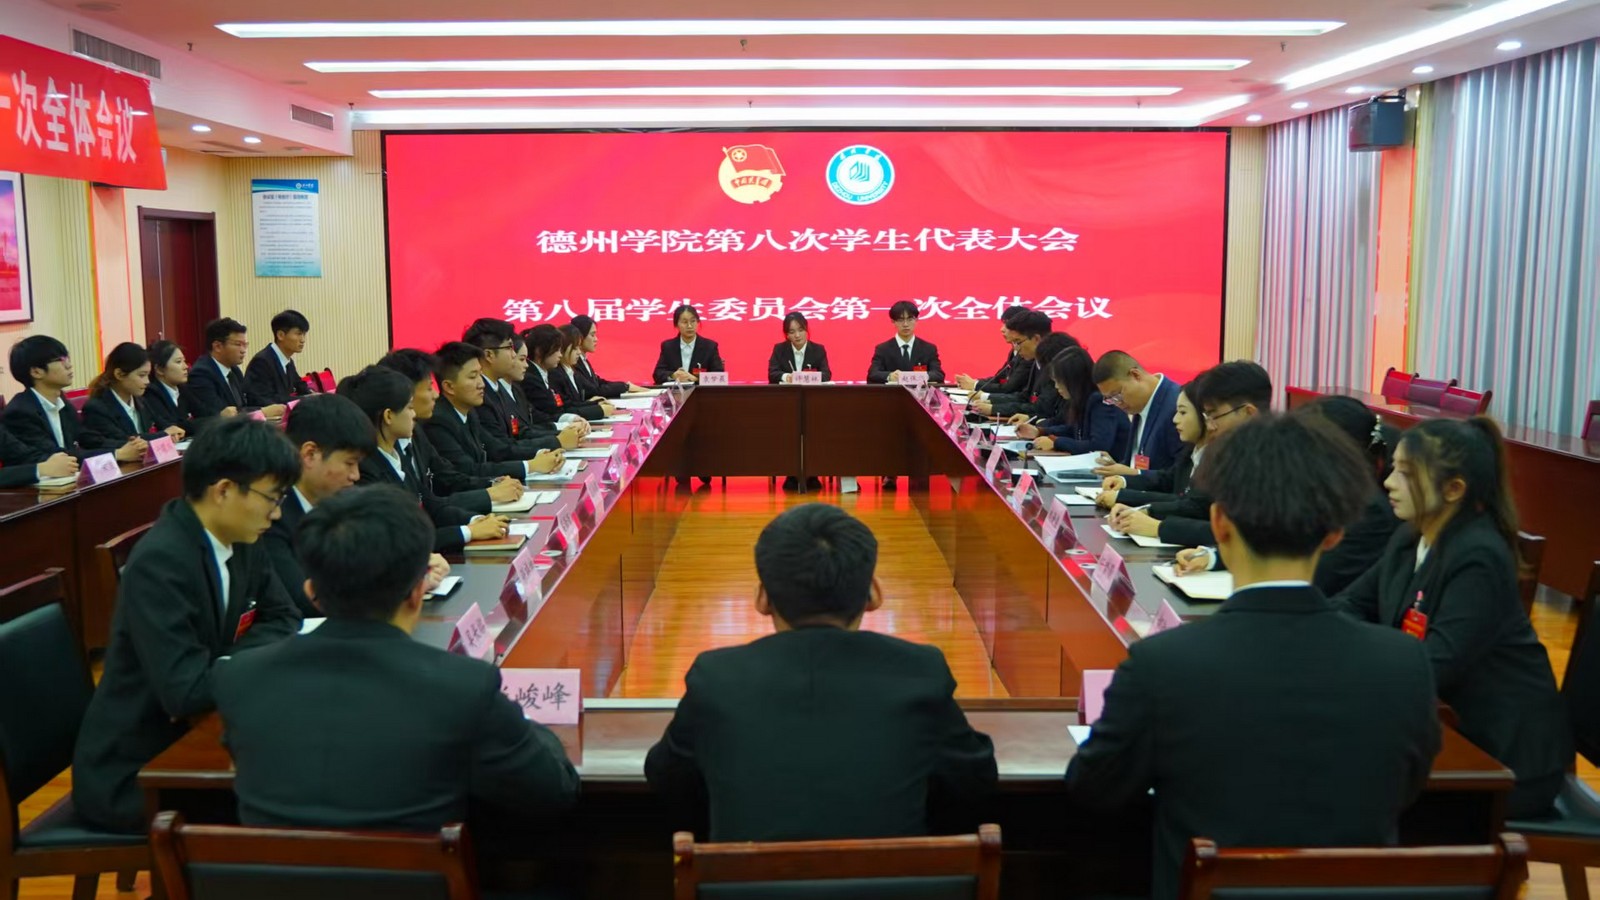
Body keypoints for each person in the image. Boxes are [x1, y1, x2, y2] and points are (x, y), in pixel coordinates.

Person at [1066, 413, 1442, 900]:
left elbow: (1096, 788)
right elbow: (1406, 788)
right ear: (1334, 533)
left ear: (1219, 524)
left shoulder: (1162, 664)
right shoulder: (1404, 664)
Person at [214, 487, 579, 830]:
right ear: (418, 591)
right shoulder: (463, 688)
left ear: (312, 593)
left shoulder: (239, 679)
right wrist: (522, 722)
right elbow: (555, 791)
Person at [646, 503, 997, 840]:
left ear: (763, 599)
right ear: (873, 594)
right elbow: (974, 781)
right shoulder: (921, 672)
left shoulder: (715, 679)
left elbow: (667, 778)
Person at [1330, 416, 1571, 817]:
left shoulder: (1479, 555)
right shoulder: (1410, 538)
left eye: (1406, 474)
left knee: (1351, 788)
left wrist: (1351, 654)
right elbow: (1350, 603)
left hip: (1505, 760)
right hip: (1444, 730)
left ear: (1454, 489)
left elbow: (1436, 663)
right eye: (1393, 468)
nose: (1388, 482)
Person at [72, 418, 303, 832]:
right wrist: (249, 661)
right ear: (224, 490)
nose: (277, 512)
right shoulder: (161, 563)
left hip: (201, 733)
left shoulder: (242, 537)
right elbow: (185, 691)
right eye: (272, 497)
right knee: (294, 796)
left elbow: (284, 617)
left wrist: (228, 661)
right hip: (138, 770)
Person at [1173, 395, 1401, 596]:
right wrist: (1211, 557)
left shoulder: (1370, 510)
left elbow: (1310, 572)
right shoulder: (1320, 489)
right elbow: (1277, 539)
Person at [341, 365, 511, 552]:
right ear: (389, 416)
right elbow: (400, 539)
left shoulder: (398, 455)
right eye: (409, 407)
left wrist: (476, 520)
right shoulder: (366, 470)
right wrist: (468, 532)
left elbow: (432, 505)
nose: (414, 414)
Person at [1108, 361, 1269, 548]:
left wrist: (1158, 527)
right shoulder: (1228, 454)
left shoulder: (1269, 464)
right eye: (1206, 416)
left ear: (1249, 413)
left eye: (1213, 415)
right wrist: (1209, 557)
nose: (1210, 426)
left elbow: (1244, 536)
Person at [261, 393, 376, 617]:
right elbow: (302, 601)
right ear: (310, 454)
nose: (355, 475)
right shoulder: (272, 516)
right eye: (349, 463)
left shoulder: (343, 503)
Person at [379, 347, 524, 509]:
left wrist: (493, 483)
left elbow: (448, 475)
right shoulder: (435, 422)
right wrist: (489, 494)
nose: (435, 394)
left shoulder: (416, 432)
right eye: (429, 388)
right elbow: (429, 502)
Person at [420, 341, 566, 483]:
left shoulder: (469, 412)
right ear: (449, 387)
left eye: (480, 374)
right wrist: (530, 466)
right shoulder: (438, 421)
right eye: (473, 376)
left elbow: (497, 448)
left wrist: (541, 454)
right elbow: (468, 470)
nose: (481, 384)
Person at [3, 335, 143, 462]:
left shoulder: (62, 403)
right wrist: (117, 454)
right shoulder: (20, 412)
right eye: (60, 360)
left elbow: (88, 438)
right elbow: (55, 456)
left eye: (67, 358)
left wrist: (129, 445)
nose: (69, 365)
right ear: (36, 372)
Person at [464, 321, 586, 457]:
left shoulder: (500, 389)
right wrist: (557, 441)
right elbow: (500, 448)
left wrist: (562, 433)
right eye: (509, 348)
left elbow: (522, 430)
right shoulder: (479, 396)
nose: (513, 355)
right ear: (488, 355)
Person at [1095, 379, 1208, 512]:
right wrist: (1124, 481)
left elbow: (1189, 503)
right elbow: (1167, 479)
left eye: (1182, 412)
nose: (1175, 419)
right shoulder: (1190, 450)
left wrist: (1124, 498)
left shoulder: (1219, 460)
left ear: (1207, 416)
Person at [1019, 345, 1128, 458]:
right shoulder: (1082, 398)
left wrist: (1056, 442)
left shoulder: (1100, 400)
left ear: (1073, 381)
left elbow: (1098, 446)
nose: (1056, 387)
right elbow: (1073, 429)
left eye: (1059, 382)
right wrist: (1040, 431)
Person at [1093, 350, 1184, 472]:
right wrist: (1119, 468)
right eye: (1110, 399)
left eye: (1117, 395)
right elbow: (1139, 463)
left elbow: (1179, 475)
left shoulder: (1177, 406)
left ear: (1135, 375)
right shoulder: (1139, 407)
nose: (1118, 403)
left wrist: (1134, 474)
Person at [188, 318, 286, 421]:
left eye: (245, 345)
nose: (243, 350)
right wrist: (262, 412)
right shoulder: (201, 375)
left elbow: (244, 405)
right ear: (217, 346)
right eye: (238, 344)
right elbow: (218, 414)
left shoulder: (234, 370)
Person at [81, 342, 169, 451]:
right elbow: (125, 440)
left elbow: (162, 423)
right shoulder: (97, 408)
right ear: (119, 374)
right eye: (142, 375)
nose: (147, 381)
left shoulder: (142, 401)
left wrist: (171, 431)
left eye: (147, 375)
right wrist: (164, 435)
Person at [967, 310, 1054, 418]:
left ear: (1036, 339)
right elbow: (1024, 397)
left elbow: (1042, 409)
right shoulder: (1037, 360)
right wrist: (992, 402)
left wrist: (994, 409)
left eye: (1018, 342)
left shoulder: (1055, 366)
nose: (1016, 348)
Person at [953, 305, 1032, 394]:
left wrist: (974, 385)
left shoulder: (1029, 355)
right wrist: (973, 382)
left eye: (1007, 325)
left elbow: (1009, 388)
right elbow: (998, 378)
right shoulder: (1014, 351)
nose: (1002, 329)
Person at [245, 309, 315, 406]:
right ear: (280, 335)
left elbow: (300, 385)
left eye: (304, 334)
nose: (303, 340)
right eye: (298, 334)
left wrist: (313, 395)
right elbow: (263, 400)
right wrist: (305, 399)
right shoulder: (262, 362)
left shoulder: (288, 361)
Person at [867, 301, 944, 384]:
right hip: (892, 392)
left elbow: (938, 375)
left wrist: (922, 376)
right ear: (893, 322)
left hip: (920, 392)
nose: (905, 324)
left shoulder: (928, 349)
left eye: (910, 319)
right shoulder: (883, 349)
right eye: (900, 320)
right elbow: (872, 374)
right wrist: (890, 376)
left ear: (916, 320)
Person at [569, 314, 644, 398]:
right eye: (592, 335)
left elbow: (598, 382)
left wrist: (625, 385)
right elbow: (594, 390)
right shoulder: (573, 363)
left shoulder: (584, 360)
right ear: (580, 337)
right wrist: (625, 387)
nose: (596, 339)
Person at [652, 304, 725, 384]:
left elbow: (720, 377)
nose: (689, 326)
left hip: (700, 391)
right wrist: (673, 375)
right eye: (684, 322)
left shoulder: (709, 346)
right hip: (675, 391)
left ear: (698, 322)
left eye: (693, 321)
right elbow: (657, 374)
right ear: (676, 325)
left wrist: (695, 378)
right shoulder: (668, 347)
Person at [143, 340, 201, 436]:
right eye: (179, 362)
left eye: (184, 361)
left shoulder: (183, 389)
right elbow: (175, 426)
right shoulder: (151, 393)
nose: (186, 366)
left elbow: (202, 413)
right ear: (160, 369)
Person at [767, 312, 833, 384]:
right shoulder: (779, 349)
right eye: (792, 332)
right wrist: (787, 377)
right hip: (787, 391)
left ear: (806, 330)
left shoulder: (818, 350)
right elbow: (772, 374)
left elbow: (826, 375)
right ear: (787, 335)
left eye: (801, 330)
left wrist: (804, 377)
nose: (797, 335)